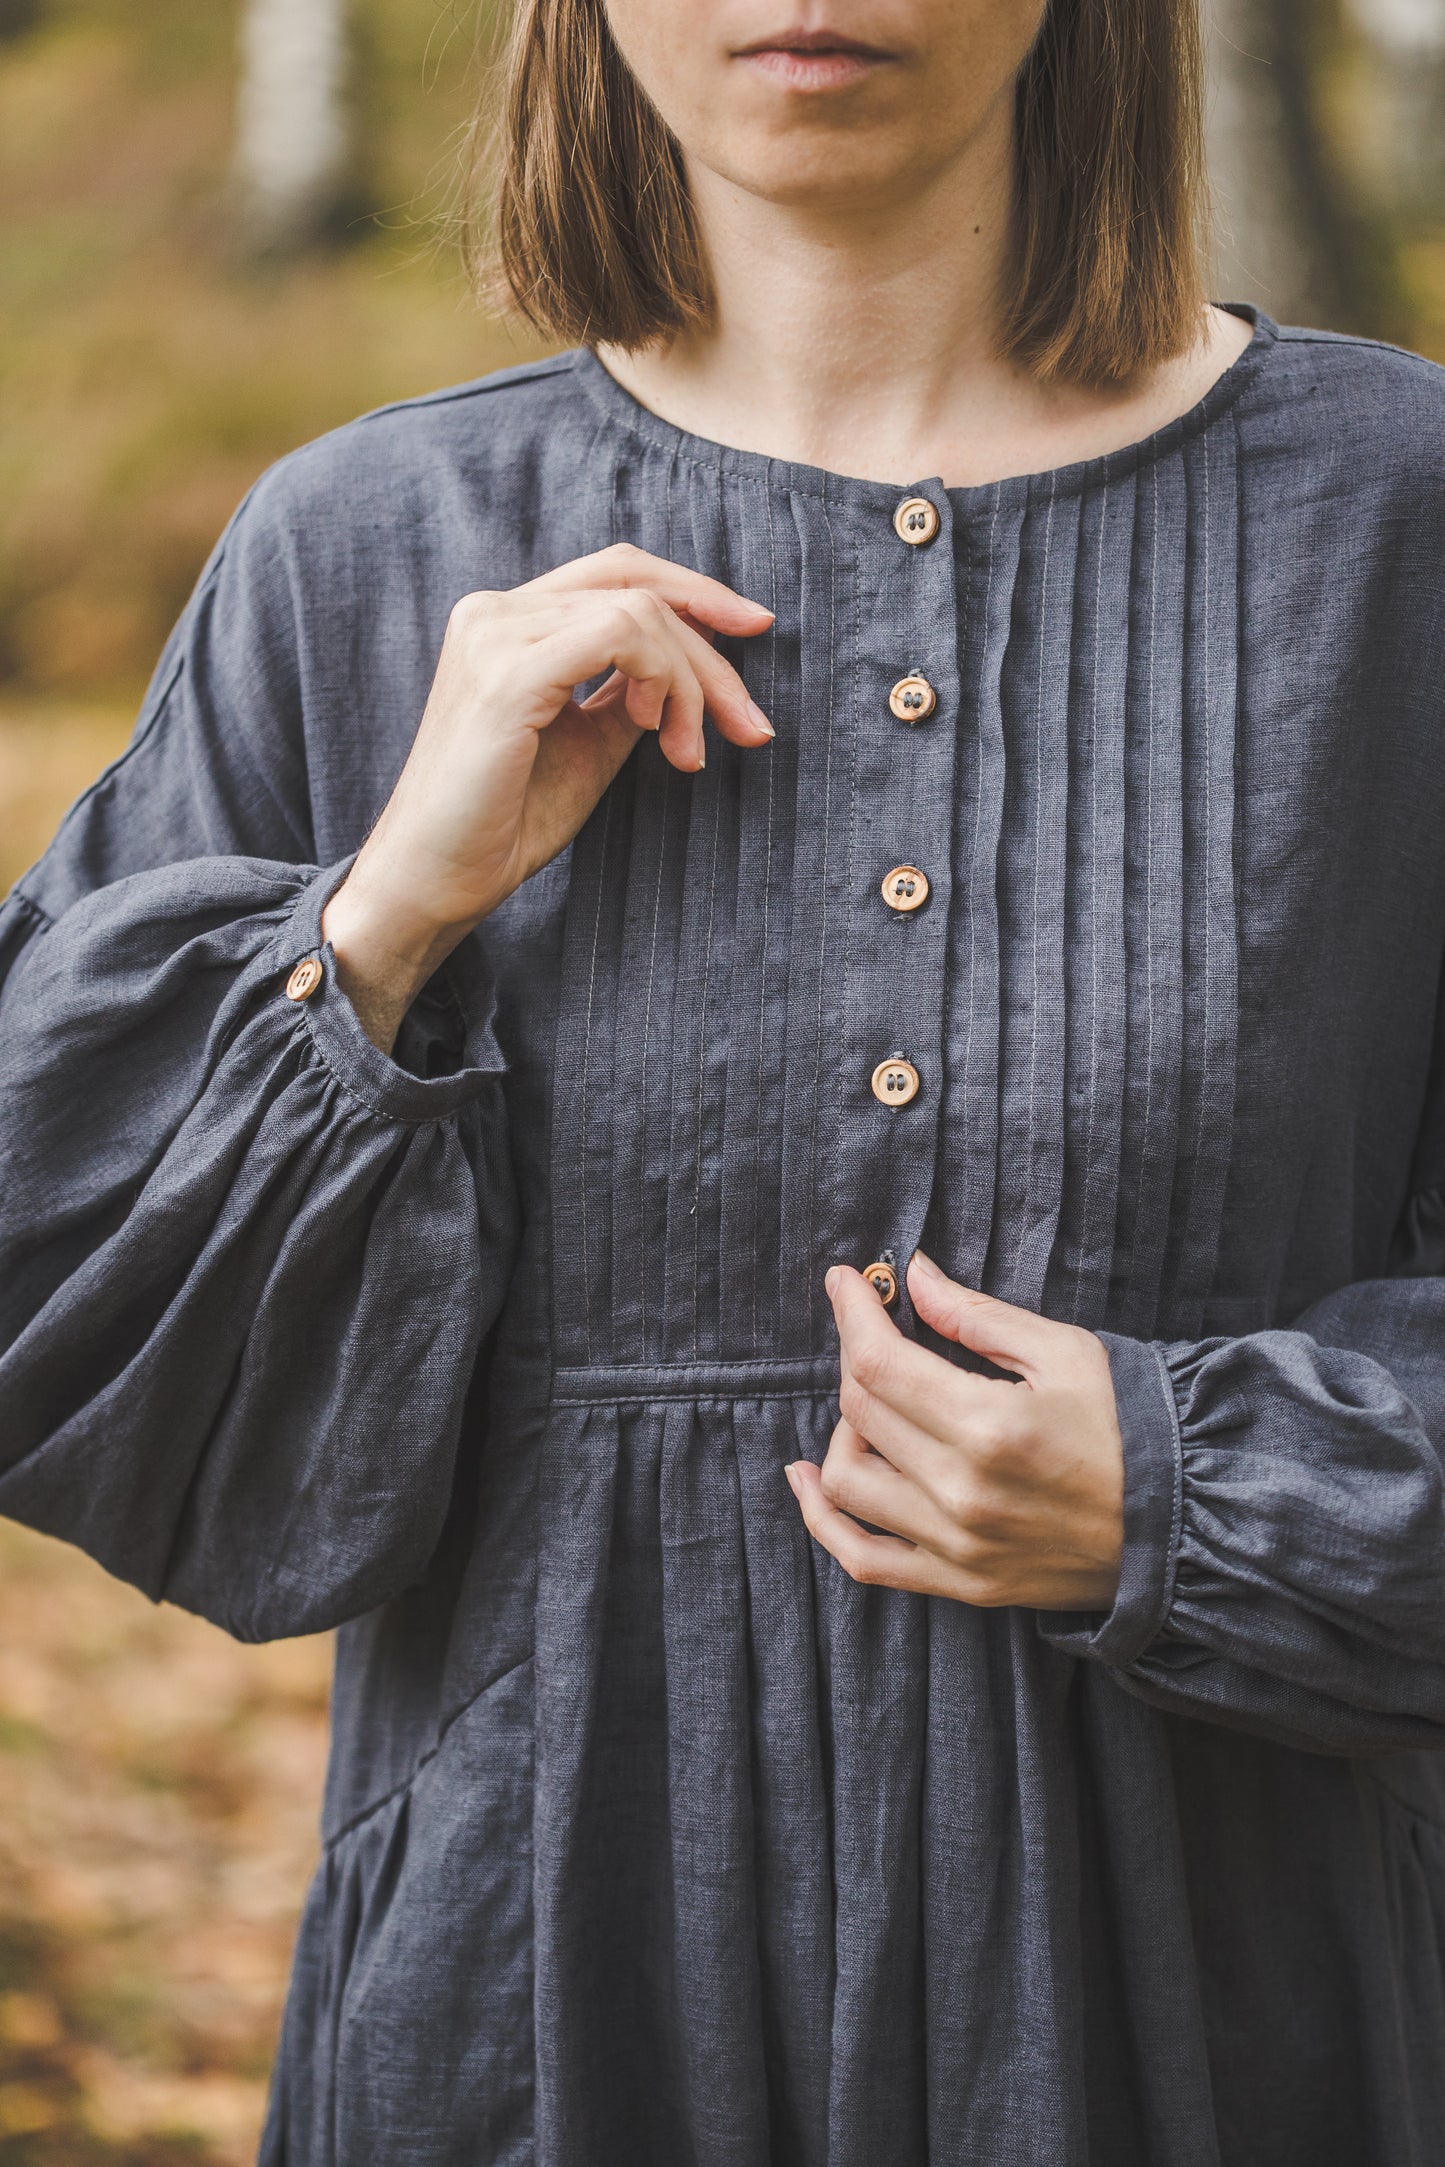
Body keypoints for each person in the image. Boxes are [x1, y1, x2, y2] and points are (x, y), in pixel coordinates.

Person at [2, 0, 1444, 2157]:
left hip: (1231, 2019)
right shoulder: (366, 548)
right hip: (530, 2030)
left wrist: (1204, 1493)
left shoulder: (1400, 532)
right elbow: (55, 1308)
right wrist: (382, 920)